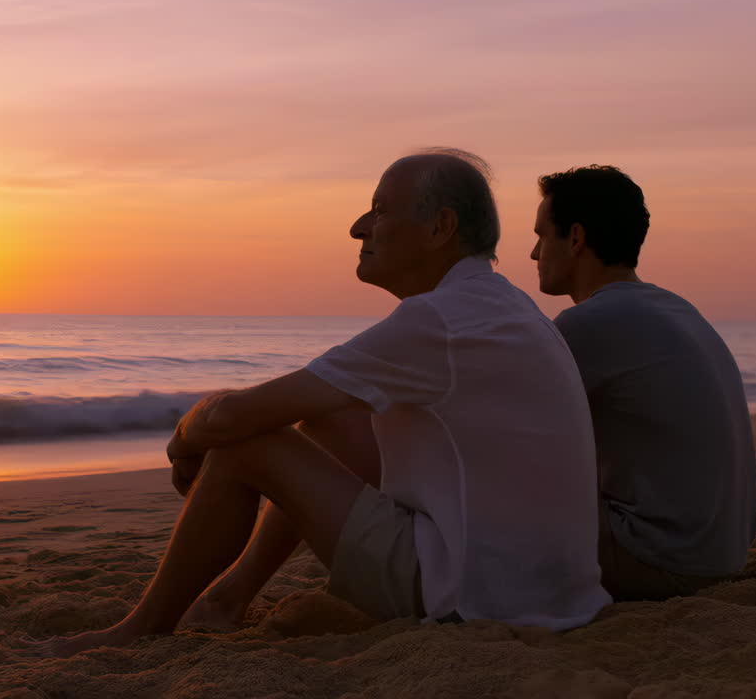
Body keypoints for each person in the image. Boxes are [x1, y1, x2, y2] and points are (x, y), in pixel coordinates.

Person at [51, 149, 609, 654]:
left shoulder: (439, 320)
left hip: (475, 597)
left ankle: (139, 629)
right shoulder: (496, 306)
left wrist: (187, 433)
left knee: (248, 445)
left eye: (379, 210)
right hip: (542, 589)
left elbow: (236, 416)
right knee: (330, 412)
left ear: (441, 227)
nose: (358, 227)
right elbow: (309, 400)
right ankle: (227, 598)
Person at [529, 164, 756, 601]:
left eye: (542, 236)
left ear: (575, 238)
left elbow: (503, 430)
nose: (534, 254)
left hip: (665, 560)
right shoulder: (675, 309)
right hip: (725, 551)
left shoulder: (588, 324)